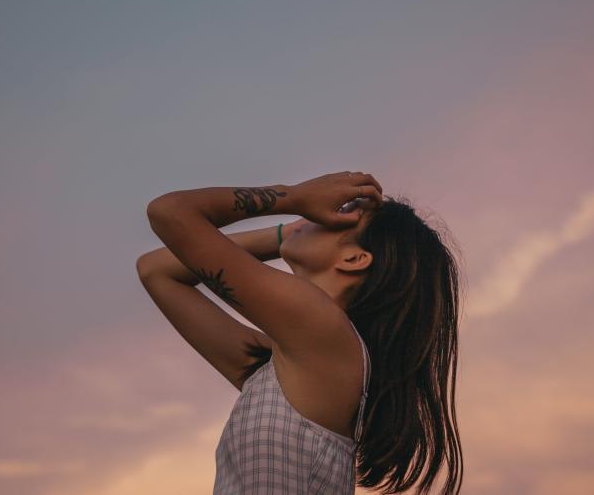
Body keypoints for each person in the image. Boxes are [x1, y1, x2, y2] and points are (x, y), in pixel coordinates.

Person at [137, 171, 465, 494]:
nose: (318, 215)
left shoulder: (321, 326)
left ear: (354, 258)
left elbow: (171, 213)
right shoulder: (293, 358)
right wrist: (287, 233)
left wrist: (294, 197)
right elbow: (157, 270)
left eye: (343, 216)